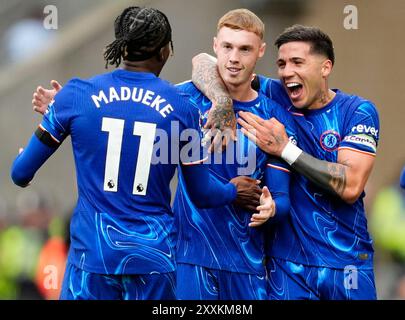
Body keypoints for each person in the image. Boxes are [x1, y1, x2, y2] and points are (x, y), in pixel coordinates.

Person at [31, 8, 295, 300]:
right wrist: (68, 108)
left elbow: (282, 199)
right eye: (228, 47)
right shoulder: (181, 100)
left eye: (245, 49)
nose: (234, 58)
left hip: (247, 263)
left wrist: (272, 209)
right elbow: (125, 110)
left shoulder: (273, 117)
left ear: (260, 51)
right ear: (215, 46)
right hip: (187, 260)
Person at [192, 25, 380, 300]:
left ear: (325, 68)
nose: (285, 71)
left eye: (297, 62)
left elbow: (350, 185)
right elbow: (202, 61)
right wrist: (221, 100)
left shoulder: (357, 111)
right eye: (281, 63)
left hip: (347, 263)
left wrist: (285, 149)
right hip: (288, 268)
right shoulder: (277, 96)